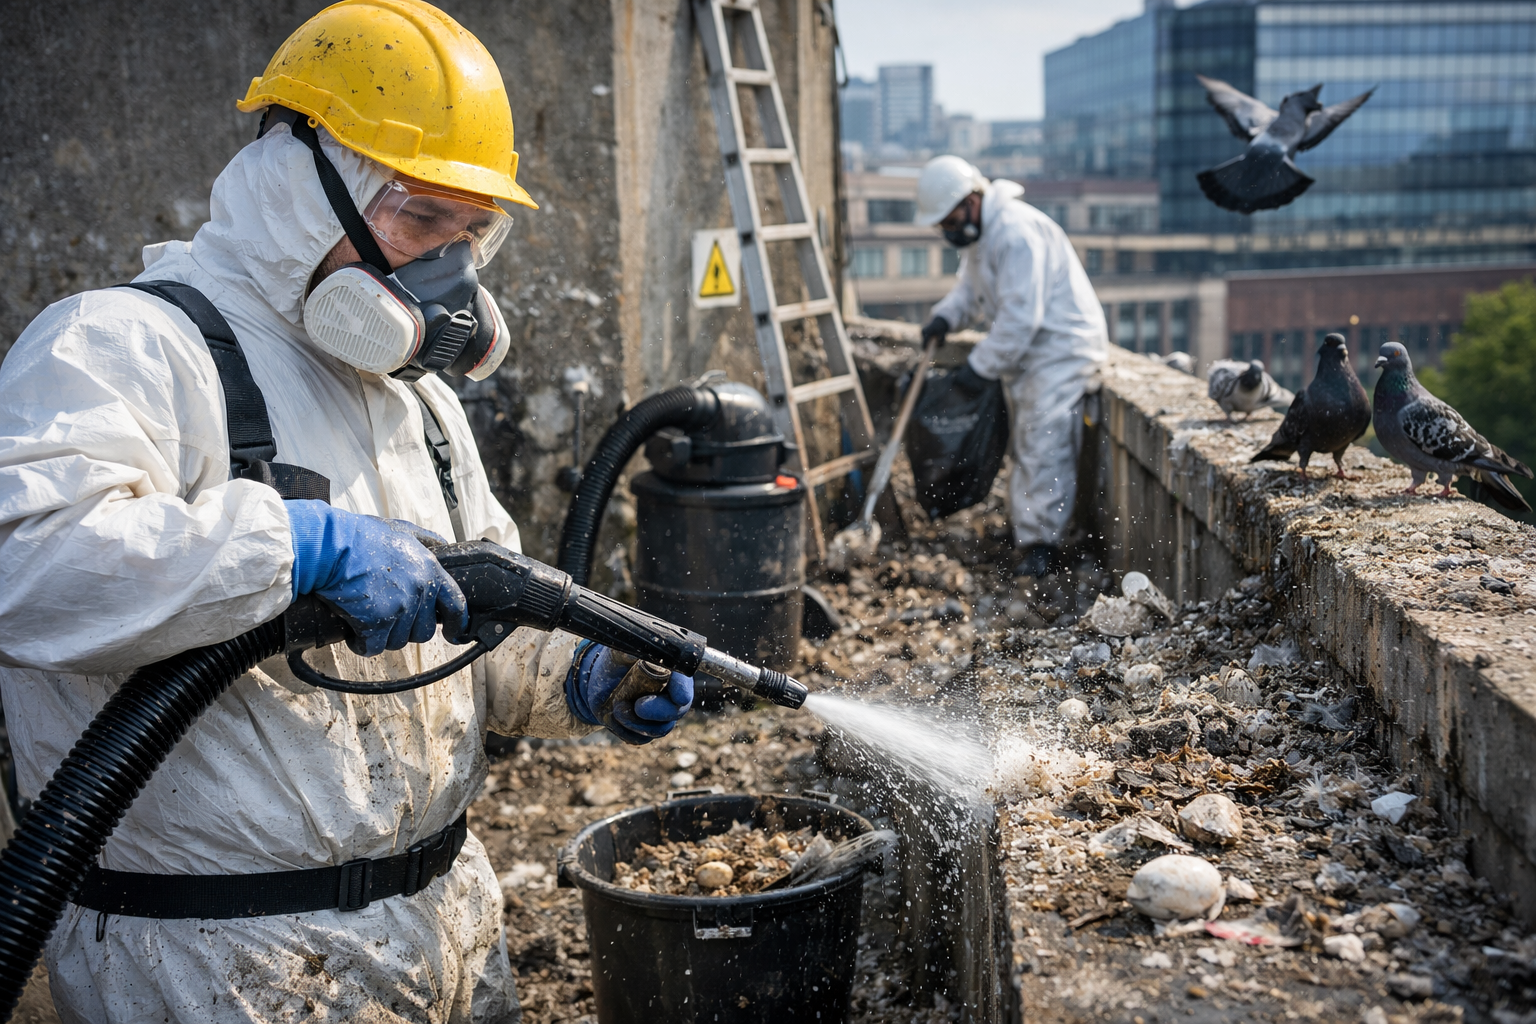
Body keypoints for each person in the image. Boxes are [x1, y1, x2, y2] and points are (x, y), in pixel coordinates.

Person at [0, 2, 692, 1021]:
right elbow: (29, 568)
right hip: (217, 966)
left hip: (446, 924)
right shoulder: (124, 348)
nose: (445, 271)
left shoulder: (421, 403)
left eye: (469, 233)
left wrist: (580, 670)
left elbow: (478, 615)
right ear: (297, 185)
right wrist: (292, 547)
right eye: (418, 216)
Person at [914, 155, 1108, 580]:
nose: (948, 230)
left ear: (971, 201)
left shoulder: (1018, 233)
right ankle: (1028, 530)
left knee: (1044, 442)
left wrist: (978, 369)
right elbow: (969, 292)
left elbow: (1021, 318)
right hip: (1032, 355)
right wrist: (945, 317)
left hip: (1060, 350)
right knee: (1026, 443)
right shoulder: (983, 241)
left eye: (949, 220)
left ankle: (1042, 545)